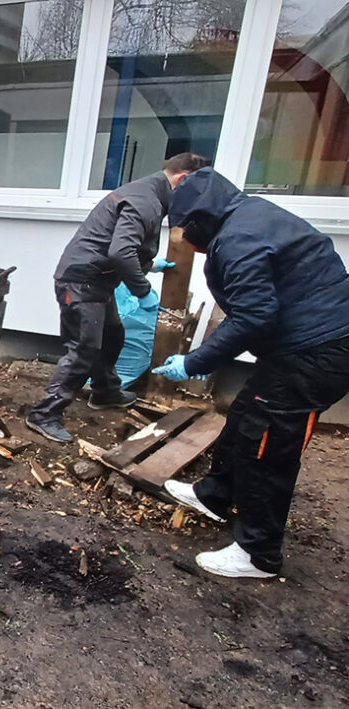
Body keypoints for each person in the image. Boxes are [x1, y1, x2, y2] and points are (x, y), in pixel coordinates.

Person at [153, 167, 349, 579]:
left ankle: (258, 554)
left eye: (188, 231)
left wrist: (194, 362)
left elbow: (254, 316)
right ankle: (215, 494)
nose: (188, 240)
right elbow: (252, 309)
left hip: (316, 354)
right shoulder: (250, 215)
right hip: (301, 348)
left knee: (268, 447)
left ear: (201, 220)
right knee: (244, 414)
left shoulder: (237, 240)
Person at [26, 153, 211, 443]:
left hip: (96, 281)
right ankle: (43, 414)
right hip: (81, 281)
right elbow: (120, 252)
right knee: (83, 351)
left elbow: (118, 244)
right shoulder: (147, 201)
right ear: (183, 179)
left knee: (112, 335)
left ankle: (104, 391)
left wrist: (150, 265)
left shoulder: (149, 194)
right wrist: (144, 290)